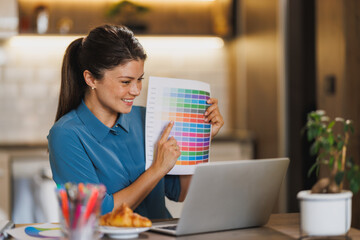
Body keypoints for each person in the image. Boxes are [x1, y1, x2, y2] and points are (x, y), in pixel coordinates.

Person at [48, 24, 224, 219]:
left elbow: (181, 192)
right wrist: (157, 169)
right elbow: (97, 212)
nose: (136, 90)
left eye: (139, 79)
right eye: (125, 82)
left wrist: (201, 138)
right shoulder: (66, 134)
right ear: (91, 79)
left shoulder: (145, 117)